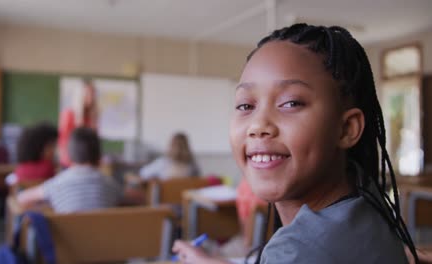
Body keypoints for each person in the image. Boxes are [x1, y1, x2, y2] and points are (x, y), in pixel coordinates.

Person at [172, 23, 418, 264]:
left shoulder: (298, 251)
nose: (258, 125)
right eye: (246, 106)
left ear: (346, 129)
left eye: (291, 103)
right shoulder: (366, 205)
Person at [17, 127, 122, 213]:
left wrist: (51, 202)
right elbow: (131, 198)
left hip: (66, 238)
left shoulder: (57, 183)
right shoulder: (110, 184)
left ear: (69, 156)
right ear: (99, 157)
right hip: (103, 238)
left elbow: (21, 198)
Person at [58, 79, 98, 168]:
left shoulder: (93, 116)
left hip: (88, 164)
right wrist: (74, 163)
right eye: (88, 93)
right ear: (80, 94)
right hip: (70, 163)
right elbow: (63, 142)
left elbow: (94, 142)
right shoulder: (69, 114)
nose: (91, 96)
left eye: (93, 93)